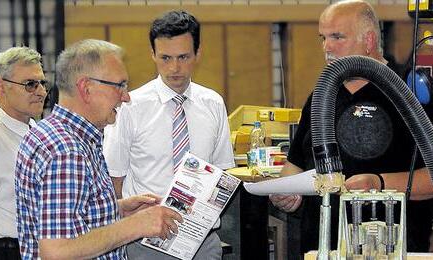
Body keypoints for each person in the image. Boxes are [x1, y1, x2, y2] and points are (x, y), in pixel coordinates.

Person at [270, 0, 433, 256]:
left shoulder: (411, 93)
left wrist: (378, 183)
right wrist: (285, 194)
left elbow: (431, 177)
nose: (327, 47)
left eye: (337, 37)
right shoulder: (321, 97)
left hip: (390, 245)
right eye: (323, 38)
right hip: (323, 246)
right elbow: (295, 166)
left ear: (368, 40)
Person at [15, 39, 183, 259]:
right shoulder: (66, 151)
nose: (126, 96)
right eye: (120, 85)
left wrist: (116, 210)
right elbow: (57, 252)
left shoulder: (54, 133)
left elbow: (64, 219)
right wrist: (136, 225)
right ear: (86, 88)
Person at [103, 10, 235, 260]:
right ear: (152, 54)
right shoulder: (131, 106)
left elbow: (221, 175)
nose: (174, 68)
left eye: (183, 57)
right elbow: (114, 182)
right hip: (146, 241)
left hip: (202, 241)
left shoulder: (213, 103)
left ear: (198, 53)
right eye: (165, 58)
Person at [0, 47, 48, 260]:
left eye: (42, 83)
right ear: (0, 87)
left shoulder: (36, 131)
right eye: (30, 84)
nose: (41, 92)